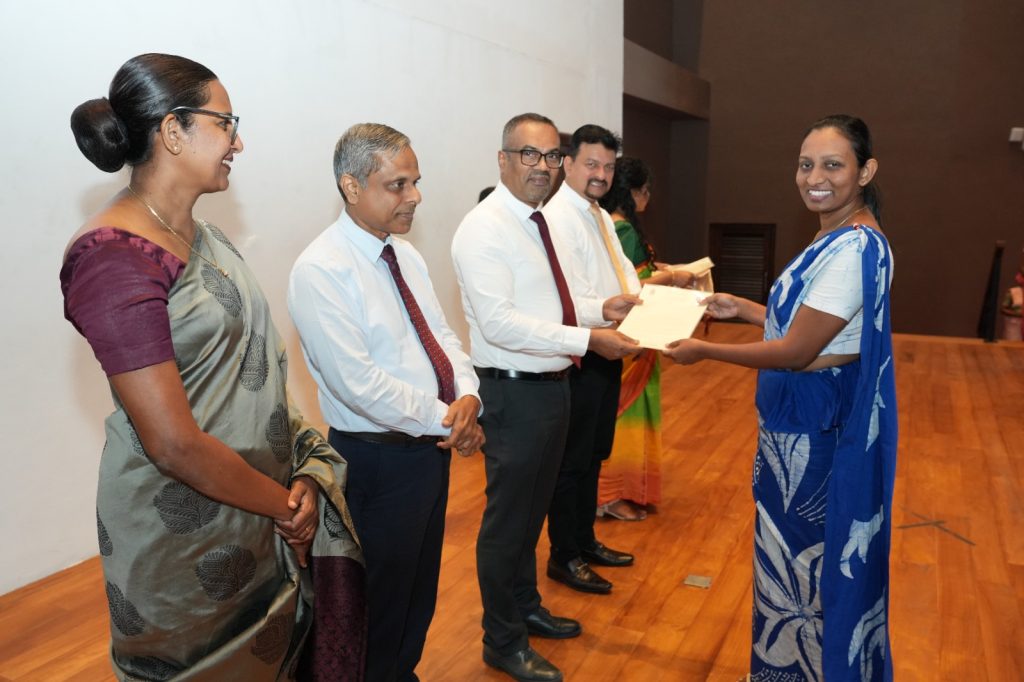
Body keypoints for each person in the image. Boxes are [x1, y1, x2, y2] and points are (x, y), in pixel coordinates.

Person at [62, 53, 364, 680]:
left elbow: (261, 376)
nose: (237, 142)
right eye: (226, 123)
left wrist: (300, 476)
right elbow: (172, 443)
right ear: (173, 130)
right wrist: (284, 505)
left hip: (256, 509)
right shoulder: (113, 257)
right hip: (181, 535)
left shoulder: (208, 238)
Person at [664, 114, 897, 682]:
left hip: (813, 438)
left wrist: (705, 352)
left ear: (865, 171)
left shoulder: (854, 247)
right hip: (797, 427)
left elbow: (797, 351)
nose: (815, 177)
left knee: (801, 578)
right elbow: (818, 329)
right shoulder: (837, 235)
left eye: (833, 165)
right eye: (805, 164)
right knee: (786, 569)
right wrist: (745, 310)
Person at [288, 123, 484, 682]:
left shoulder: (405, 254)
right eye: (398, 185)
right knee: (372, 602)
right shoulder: (321, 269)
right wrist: (448, 419)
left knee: (416, 591)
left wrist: (469, 395)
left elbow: (442, 337)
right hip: (373, 459)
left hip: (426, 451)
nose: (414, 196)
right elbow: (358, 384)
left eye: (416, 182)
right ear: (351, 187)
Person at [451, 113, 640, 682]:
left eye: (551, 156)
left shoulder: (540, 220)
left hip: (552, 387)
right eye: (528, 155)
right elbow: (502, 323)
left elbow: (554, 302)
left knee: (532, 515)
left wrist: (600, 309)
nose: (542, 166)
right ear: (503, 159)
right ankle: (501, 640)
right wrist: (590, 339)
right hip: (512, 393)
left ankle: (526, 607)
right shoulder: (483, 229)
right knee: (508, 524)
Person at [541, 125, 650, 594]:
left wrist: (642, 303)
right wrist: (610, 310)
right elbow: (566, 295)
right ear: (567, 164)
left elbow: (625, 275)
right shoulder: (557, 217)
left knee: (593, 454)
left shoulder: (600, 214)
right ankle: (564, 555)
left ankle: (584, 541)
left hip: (609, 347)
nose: (601, 174)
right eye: (591, 164)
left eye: (607, 166)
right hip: (581, 353)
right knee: (571, 461)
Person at [595, 157, 694, 522]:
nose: (648, 198)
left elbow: (637, 272)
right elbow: (627, 286)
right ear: (632, 192)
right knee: (624, 417)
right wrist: (671, 278)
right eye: (646, 190)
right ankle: (610, 495)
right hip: (628, 335)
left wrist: (661, 270)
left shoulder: (614, 224)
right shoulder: (621, 228)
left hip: (636, 335)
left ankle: (625, 490)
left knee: (631, 413)